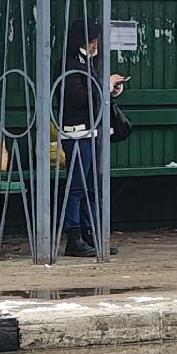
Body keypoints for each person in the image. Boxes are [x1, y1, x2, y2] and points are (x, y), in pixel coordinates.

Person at [55, 18, 125, 257]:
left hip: (90, 131)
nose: (94, 45)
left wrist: (110, 91)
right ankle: (74, 237)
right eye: (90, 41)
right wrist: (106, 86)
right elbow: (77, 97)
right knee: (77, 187)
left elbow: (91, 96)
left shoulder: (87, 63)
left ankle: (89, 233)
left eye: (95, 41)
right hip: (76, 132)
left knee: (91, 187)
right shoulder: (67, 65)